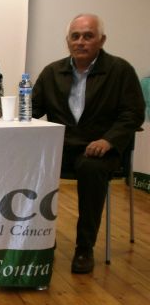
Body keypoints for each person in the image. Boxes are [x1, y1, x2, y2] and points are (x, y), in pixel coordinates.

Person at [32, 14, 145, 273]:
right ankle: (40, 238)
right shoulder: (52, 72)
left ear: (101, 40)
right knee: (28, 164)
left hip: (101, 150)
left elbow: (133, 113)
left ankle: (84, 247)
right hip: (62, 147)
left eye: (88, 36)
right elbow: (33, 111)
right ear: (67, 41)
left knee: (90, 168)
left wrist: (109, 140)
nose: (80, 41)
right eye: (75, 36)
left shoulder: (120, 70)